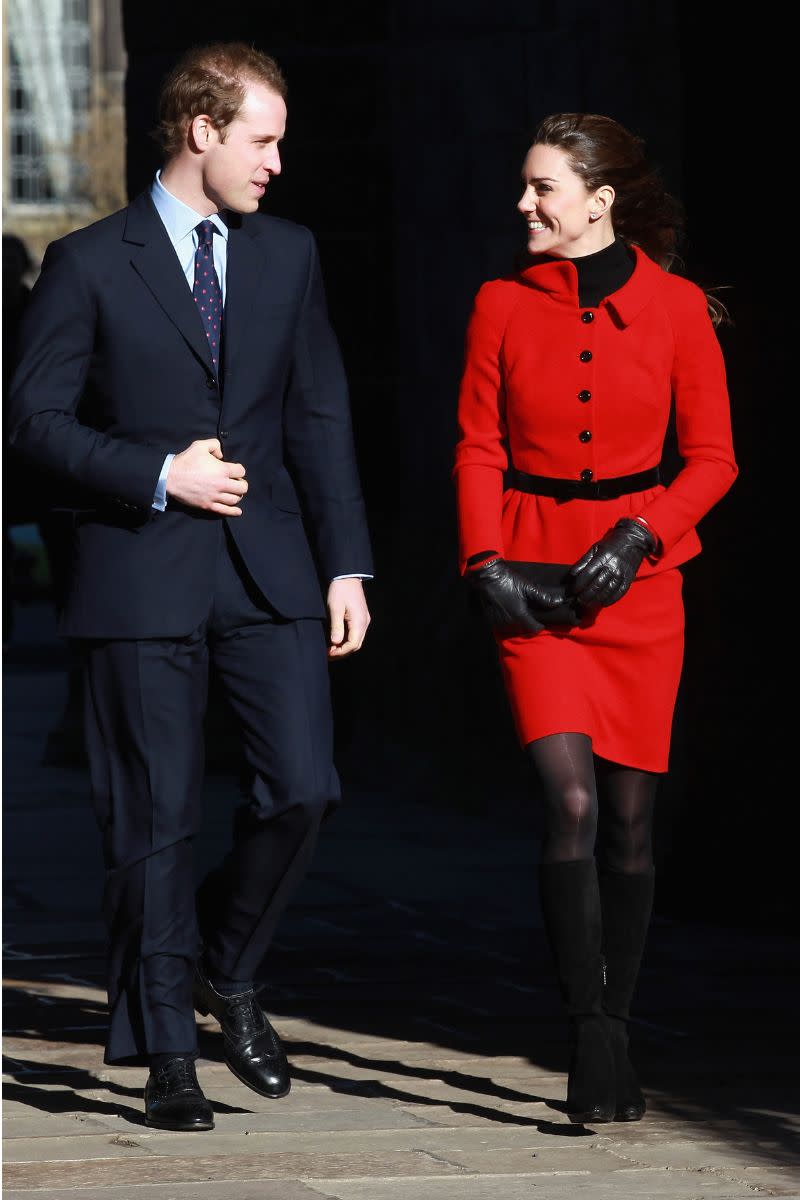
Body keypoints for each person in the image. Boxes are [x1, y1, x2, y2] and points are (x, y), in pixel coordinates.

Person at [8, 42, 373, 1132]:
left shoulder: (289, 254)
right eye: (261, 140)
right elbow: (30, 423)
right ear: (201, 131)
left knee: (303, 786)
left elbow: (318, 415)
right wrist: (157, 473)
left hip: (269, 570)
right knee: (153, 824)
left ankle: (222, 962)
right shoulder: (86, 263)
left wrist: (345, 561)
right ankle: (168, 1049)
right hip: (137, 572)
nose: (275, 164)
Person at [453, 113, 736, 1124]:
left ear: (597, 199)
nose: (522, 204)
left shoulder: (674, 310)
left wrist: (638, 536)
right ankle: (591, 1028)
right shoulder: (497, 303)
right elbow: (476, 444)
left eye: (541, 188)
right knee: (567, 802)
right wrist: (481, 559)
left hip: (635, 584)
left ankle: (618, 1004)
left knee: (627, 824)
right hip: (529, 580)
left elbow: (713, 459)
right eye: (524, 186)